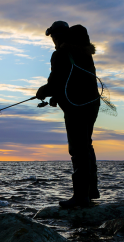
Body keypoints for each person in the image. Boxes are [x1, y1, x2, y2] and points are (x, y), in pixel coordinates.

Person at [36, 21, 100, 208]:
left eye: (55, 37)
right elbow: (73, 79)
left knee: (78, 149)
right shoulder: (84, 53)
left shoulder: (60, 54)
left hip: (76, 107)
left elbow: (55, 81)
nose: (54, 41)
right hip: (92, 103)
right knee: (86, 144)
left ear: (61, 36)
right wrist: (57, 96)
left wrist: (43, 92)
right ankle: (91, 191)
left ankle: (81, 197)